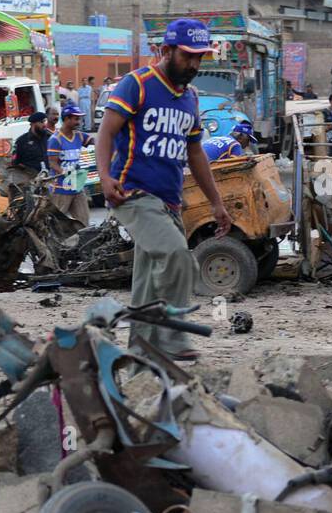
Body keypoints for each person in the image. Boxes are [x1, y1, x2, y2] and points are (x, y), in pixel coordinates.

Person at [94, 18, 231, 362]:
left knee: (147, 286)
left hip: (169, 203)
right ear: (166, 50)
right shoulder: (136, 85)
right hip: (133, 194)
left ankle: (140, 364)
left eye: (200, 57)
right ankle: (173, 338)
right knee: (176, 256)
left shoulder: (191, 99)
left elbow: (195, 152)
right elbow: (106, 132)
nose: (195, 64)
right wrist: (103, 177)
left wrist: (216, 203)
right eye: (188, 56)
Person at [45, 103, 92, 227]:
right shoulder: (55, 140)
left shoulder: (79, 135)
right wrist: (65, 173)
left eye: (79, 119)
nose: (79, 122)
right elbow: (52, 163)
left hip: (77, 185)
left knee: (84, 223)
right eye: (76, 119)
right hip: (61, 187)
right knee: (54, 224)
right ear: (66, 119)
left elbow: (95, 141)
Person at [4, 111, 52, 193]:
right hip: (30, 180)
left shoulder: (51, 138)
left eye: (45, 121)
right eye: (41, 122)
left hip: (50, 178)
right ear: (33, 124)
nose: (45, 125)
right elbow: (15, 163)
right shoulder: (22, 141)